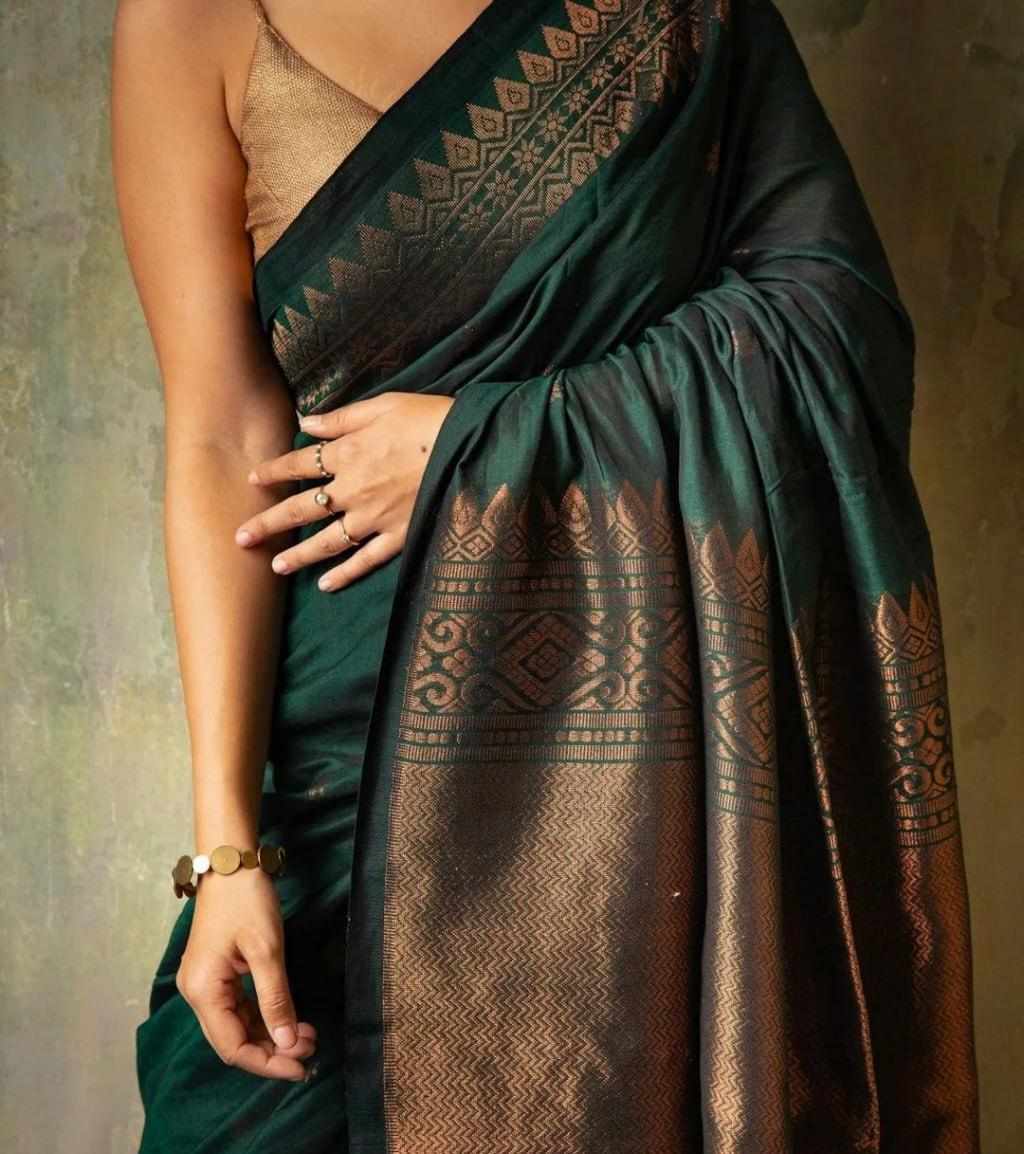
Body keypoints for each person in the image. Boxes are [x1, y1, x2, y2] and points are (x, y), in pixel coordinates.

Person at [112, 0, 982, 1150]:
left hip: (630, 774)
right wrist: (225, 849)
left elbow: (832, 317)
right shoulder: (192, 21)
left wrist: (480, 447)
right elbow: (221, 438)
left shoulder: (678, 15)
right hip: (340, 768)